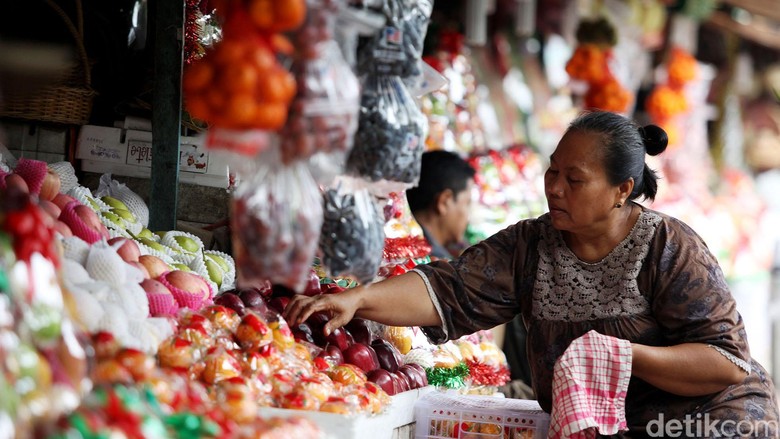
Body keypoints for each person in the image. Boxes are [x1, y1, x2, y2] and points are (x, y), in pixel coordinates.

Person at [286, 111, 779, 436]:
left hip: (705, 421)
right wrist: (359, 300)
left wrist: (623, 356)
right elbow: (448, 288)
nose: (555, 189)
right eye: (552, 172)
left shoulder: (670, 247)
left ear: (621, 190)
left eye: (575, 179)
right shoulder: (531, 245)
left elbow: (726, 361)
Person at [406, 150, 476, 260]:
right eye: (467, 203)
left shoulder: (399, 240)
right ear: (444, 202)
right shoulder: (431, 265)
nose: (469, 216)